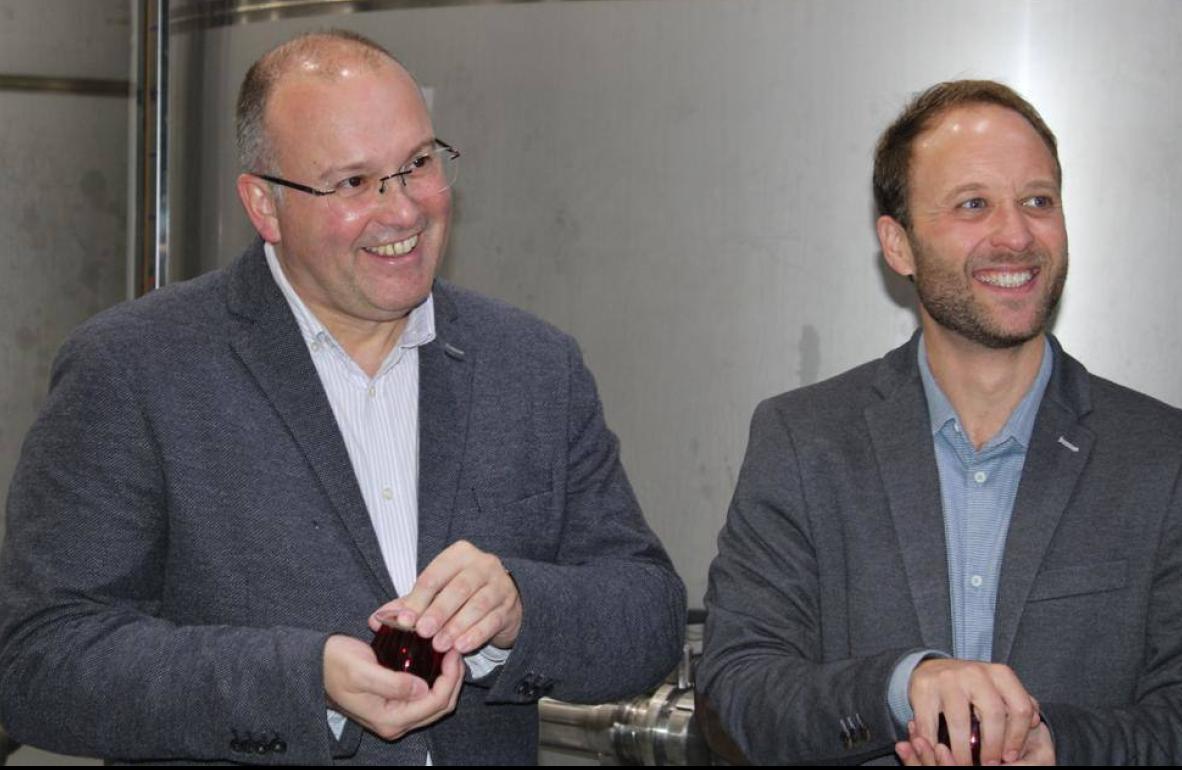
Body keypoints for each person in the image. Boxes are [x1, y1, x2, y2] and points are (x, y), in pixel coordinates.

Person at [0, 30, 684, 764]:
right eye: (353, 183)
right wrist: (301, 681)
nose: (403, 211)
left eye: (418, 164)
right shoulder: (134, 369)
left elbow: (648, 612)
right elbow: (41, 661)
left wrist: (522, 607)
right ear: (264, 205)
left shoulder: (533, 366)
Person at [698, 80, 1182, 765]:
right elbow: (737, 691)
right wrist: (903, 687)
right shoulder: (804, 442)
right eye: (973, 205)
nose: (1015, 235)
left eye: (1038, 201)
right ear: (898, 246)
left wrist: (1062, 747)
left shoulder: (1174, 457)